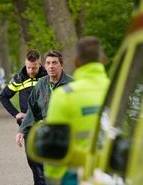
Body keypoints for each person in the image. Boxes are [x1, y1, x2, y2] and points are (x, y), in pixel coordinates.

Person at [43, 36, 110, 185]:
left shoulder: (64, 96)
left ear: (76, 62)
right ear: (103, 60)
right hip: (113, 174)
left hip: (74, 178)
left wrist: (53, 179)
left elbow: (54, 148)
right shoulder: (119, 91)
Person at [16, 51, 74, 184]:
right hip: (46, 136)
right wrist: (22, 130)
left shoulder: (71, 84)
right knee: (42, 173)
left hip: (65, 137)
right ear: (45, 66)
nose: (51, 66)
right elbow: (32, 110)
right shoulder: (41, 84)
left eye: (54, 63)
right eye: (48, 63)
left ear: (61, 65)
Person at [0, 50, 47, 185]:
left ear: (40, 64)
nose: (31, 70)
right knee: (33, 161)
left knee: (43, 161)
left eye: (34, 67)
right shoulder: (19, 78)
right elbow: (3, 96)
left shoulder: (47, 77)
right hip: (27, 124)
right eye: (29, 67)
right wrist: (16, 113)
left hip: (45, 124)